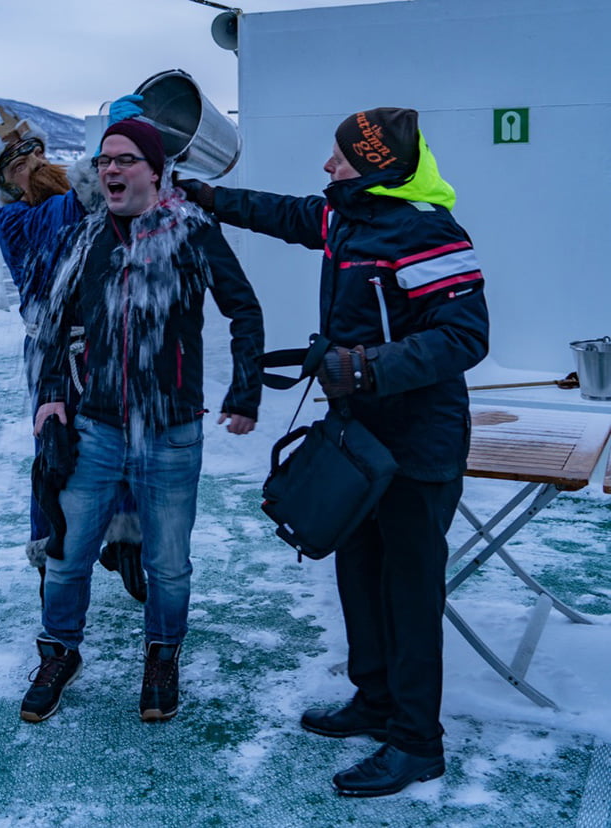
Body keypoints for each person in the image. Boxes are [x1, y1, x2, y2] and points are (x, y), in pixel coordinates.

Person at [178, 107, 489, 797]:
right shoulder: (344, 218)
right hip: (361, 439)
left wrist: (370, 367)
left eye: (341, 158)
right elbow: (288, 215)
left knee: (408, 593)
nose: (327, 167)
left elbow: (464, 336)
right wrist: (206, 197)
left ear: (376, 165)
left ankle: (416, 743)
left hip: (417, 445)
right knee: (358, 573)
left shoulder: (425, 231)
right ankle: (374, 699)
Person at [21, 117, 264, 724]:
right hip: (97, 426)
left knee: (168, 562)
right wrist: (52, 396)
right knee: (69, 551)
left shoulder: (193, 231)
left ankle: (161, 654)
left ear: (155, 170)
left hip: (172, 429)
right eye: (104, 160)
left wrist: (245, 391)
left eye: (125, 160)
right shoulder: (85, 238)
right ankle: (58, 652)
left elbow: (245, 309)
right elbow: (52, 323)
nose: (110, 170)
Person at [0, 100, 146, 604]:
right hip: (80, 348)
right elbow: (92, 190)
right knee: (100, 440)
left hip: (61, 350)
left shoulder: (18, 216)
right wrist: (122, 134)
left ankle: (87, 551)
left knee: (63, 450)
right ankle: (99, 547)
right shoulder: (29, 218)